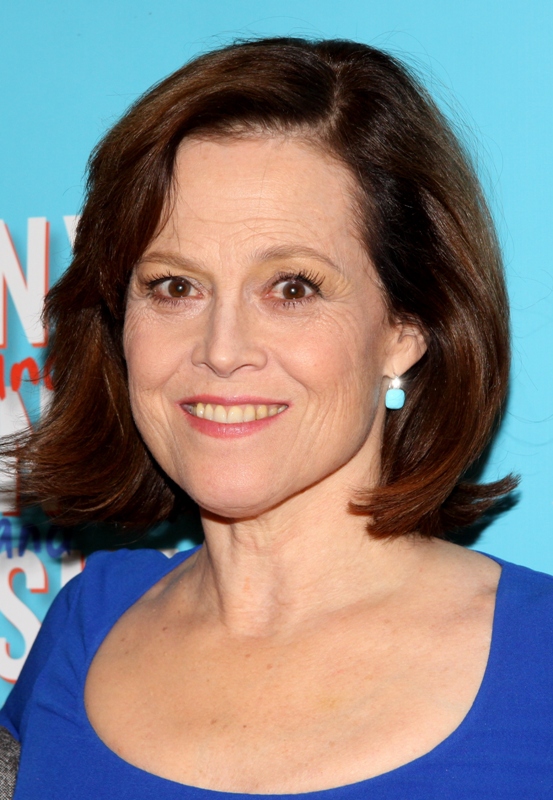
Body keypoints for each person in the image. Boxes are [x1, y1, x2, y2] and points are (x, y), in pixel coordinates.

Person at [0, 37, 551, 799]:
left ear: (404, 328)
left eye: (292, 287)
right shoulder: (83, 626)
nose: (221, 350)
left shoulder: (540, 661)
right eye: (173, 286)